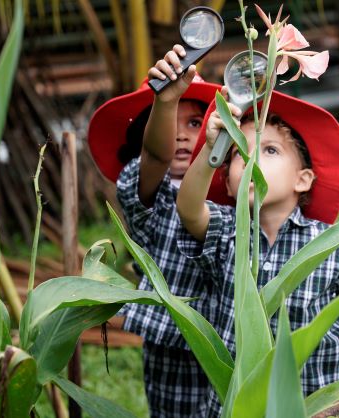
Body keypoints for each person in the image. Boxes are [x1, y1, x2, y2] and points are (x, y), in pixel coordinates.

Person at [175, 91, 339, 418]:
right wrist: (211, 148)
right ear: (230, 186)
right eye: (238, 152)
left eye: (270, 150)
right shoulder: (225, 232)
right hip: (240, 404)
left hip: (317, 403)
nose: (250, 159)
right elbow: (188, 209)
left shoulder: (334, 245)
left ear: (302, 180)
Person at [87, 45, 223, 417]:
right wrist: (166, 100)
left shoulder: (230, 187)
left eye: (194, 123)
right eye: (169, 121)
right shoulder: (147, 189)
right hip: (172, 339)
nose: (181, 136)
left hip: (230, 333)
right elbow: (157, 156)